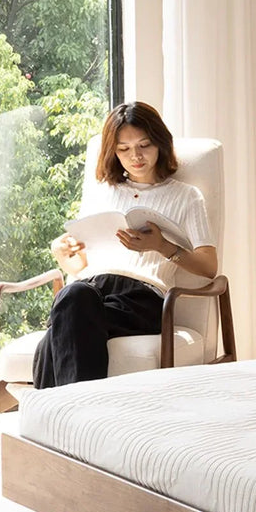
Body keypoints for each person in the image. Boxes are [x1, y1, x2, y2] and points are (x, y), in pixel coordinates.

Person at [32, 102, 218, 388]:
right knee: (74, 299)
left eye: (144, 145)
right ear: (113, 152)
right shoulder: (104, 192)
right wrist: (63, 254)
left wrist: (162, 246)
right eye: (124, 149)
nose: (136, 156)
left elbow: (208, 267)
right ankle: (78, 411)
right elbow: (80, 266)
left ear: (160, 143)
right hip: (92, 290)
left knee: (64, 317)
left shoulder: (186, 196)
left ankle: (56, 410)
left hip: (143, 299)